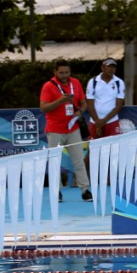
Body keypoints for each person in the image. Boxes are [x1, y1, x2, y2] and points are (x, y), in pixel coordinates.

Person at [40, 59, 92, 201]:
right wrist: (60, 101)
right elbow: (43, 108)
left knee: (79, 161)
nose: (64, 75)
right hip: (55, 129)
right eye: (61, 72)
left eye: (67, 72)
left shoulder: (75, 82)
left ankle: (85, 189)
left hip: (73, 128)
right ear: (55, 72)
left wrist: (80, 111)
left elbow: (83, 103)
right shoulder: (48, 86)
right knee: (55, 161)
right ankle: (57, 191)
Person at [86, 59, 125, 138]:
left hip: (112, 121)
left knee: (113, 147)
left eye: (113, 67)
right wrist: (98, 122)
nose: (111, 69)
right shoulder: (93, 82)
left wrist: (103, 121)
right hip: (95, 121)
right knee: (94, 147)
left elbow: (118, 105)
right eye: (108, 67)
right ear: (102, 68)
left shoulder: (119, 82)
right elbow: (90, 104)